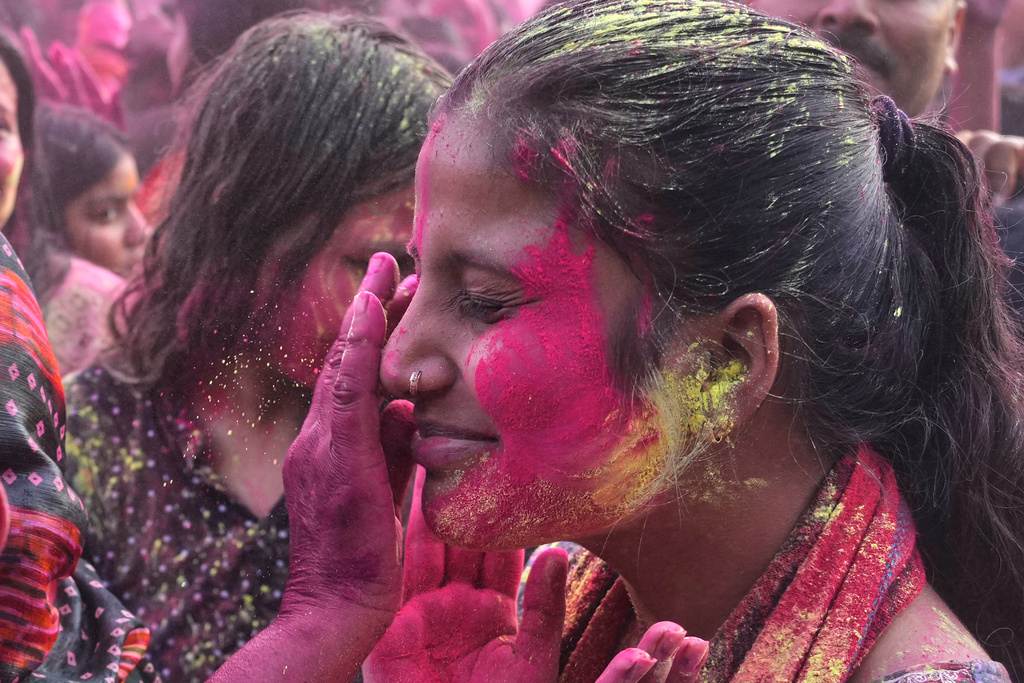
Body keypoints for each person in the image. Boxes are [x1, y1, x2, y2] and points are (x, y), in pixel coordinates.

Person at [210, 1, 1024, 681]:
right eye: (421, 277)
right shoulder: (558, 614)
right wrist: (328, 617)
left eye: (487, 300)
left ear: (721, 363)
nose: (397, 360)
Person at [63, 13, 446, 682]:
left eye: (429, 273)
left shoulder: (421, 448)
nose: (401, 314)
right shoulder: (80, 445)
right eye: (371, 263)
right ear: (242, 223)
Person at [27, 105, 147, 376]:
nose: (141, 232)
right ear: (45, 224)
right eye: (106, 214)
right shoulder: (102, 306)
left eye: (137, 203)